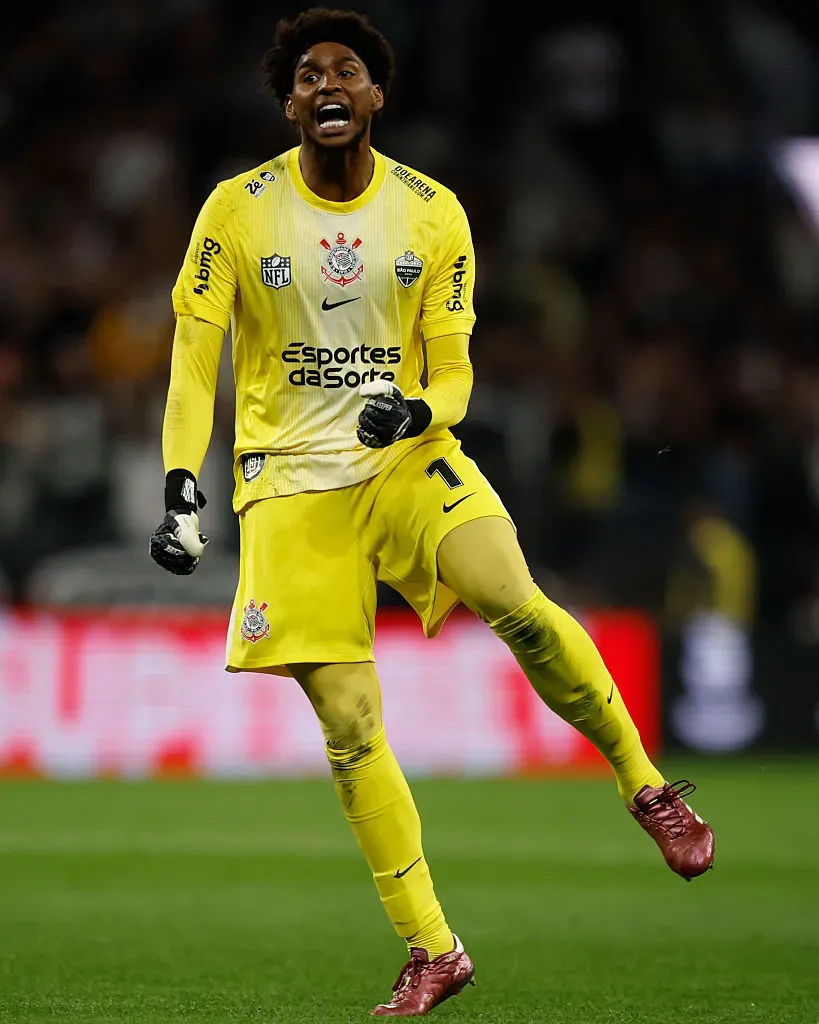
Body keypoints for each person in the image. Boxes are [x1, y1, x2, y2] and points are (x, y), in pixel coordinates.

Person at [150, 8, 715, 1017]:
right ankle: (433, 948)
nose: (329, 85)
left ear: (376, 96)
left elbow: (451, 375)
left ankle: (646, 784)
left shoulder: (431, 212)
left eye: (349, 71)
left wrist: (414, 408)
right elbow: (197, 360)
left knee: (516, 598)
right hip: (285, 484)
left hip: (407, 458)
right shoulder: (235, 212)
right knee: (351, 724)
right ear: (289, 104)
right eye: (308, 75)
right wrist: (181, 484)